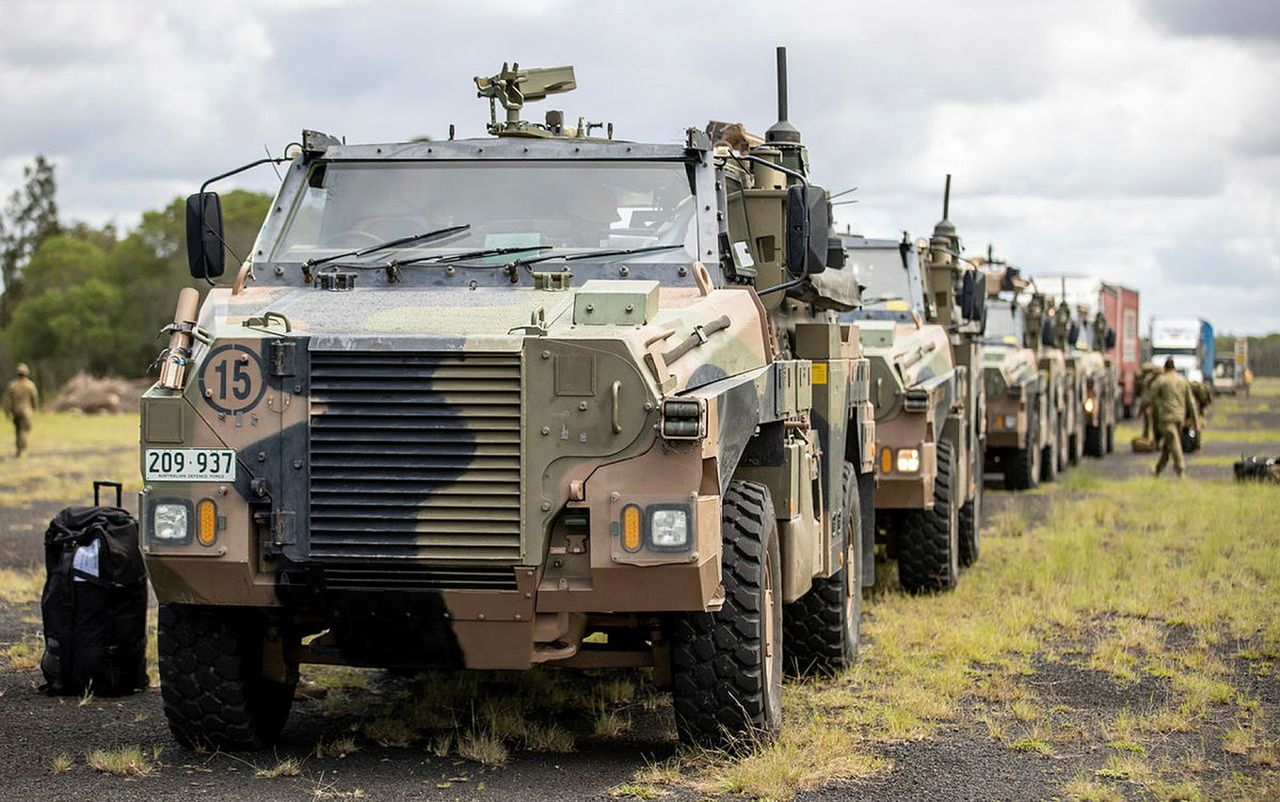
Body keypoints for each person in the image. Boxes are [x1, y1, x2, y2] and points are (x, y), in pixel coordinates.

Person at [1149, 357, 1197, 478]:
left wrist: (1143, 410)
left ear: (1165, 368)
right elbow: (1191, 402)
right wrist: (1195, 421)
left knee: (1173, 443)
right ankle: (1158, 470)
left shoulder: (1161, 380)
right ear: (1174, 368)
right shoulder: (1183, 380)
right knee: (1169, 444)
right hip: (1179, 418)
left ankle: (1180, 470)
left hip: (1166, 418)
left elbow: (1150, 397)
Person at [4, 363, 40, 458]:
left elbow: (8, 401)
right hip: (26, 411)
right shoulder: (30, 385)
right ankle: (22, 449)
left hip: (15, 411)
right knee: (24, 430)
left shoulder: (13, 386)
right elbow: (34, 398)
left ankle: (19, 449)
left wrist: (7, 412)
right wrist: (35, 407)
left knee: (18, 431)